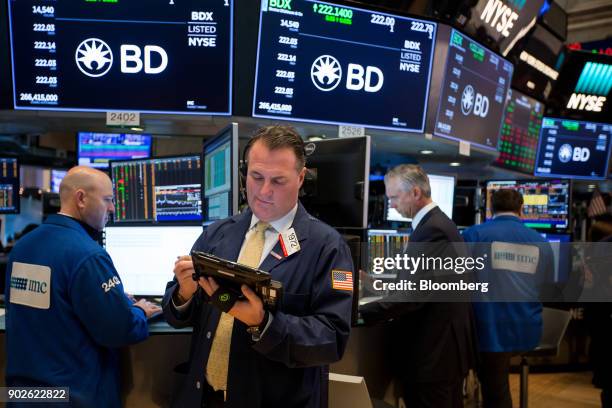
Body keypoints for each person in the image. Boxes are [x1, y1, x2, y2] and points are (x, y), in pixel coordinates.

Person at [162, 125, 354, 407]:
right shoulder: (217, 233)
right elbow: (176, 314)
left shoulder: (329, 247)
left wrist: (263, 324)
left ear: (300, 178)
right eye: (256, 177)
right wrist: (184, 293)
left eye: (278, 181)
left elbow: (332, 338)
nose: (264, 191)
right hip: (204, 397)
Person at [4, 166, 161, 407]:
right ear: (81, 199)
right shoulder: (87, 255)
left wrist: (108, 297)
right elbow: (119, 330)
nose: (112, 208)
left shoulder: (23, 246)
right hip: (72, 397)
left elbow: (54, 303)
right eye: (108, 200)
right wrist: (139, 311)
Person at [360, 164, 476, 408]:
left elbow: (411, 297)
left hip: (434, 355)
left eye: (393, 197)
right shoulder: (438, 224)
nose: (391, 204)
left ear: (415, 193)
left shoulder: (432, 231)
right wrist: (375, 284)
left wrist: (357, 314)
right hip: (442, 352)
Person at [462, 189, 554, 408]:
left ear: (491, 208)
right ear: (521, 209)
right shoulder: (540, 241)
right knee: (495, 384)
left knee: (495, 390)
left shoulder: (474, 235)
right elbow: (546, 287)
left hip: (490, 329)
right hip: (528, 329)